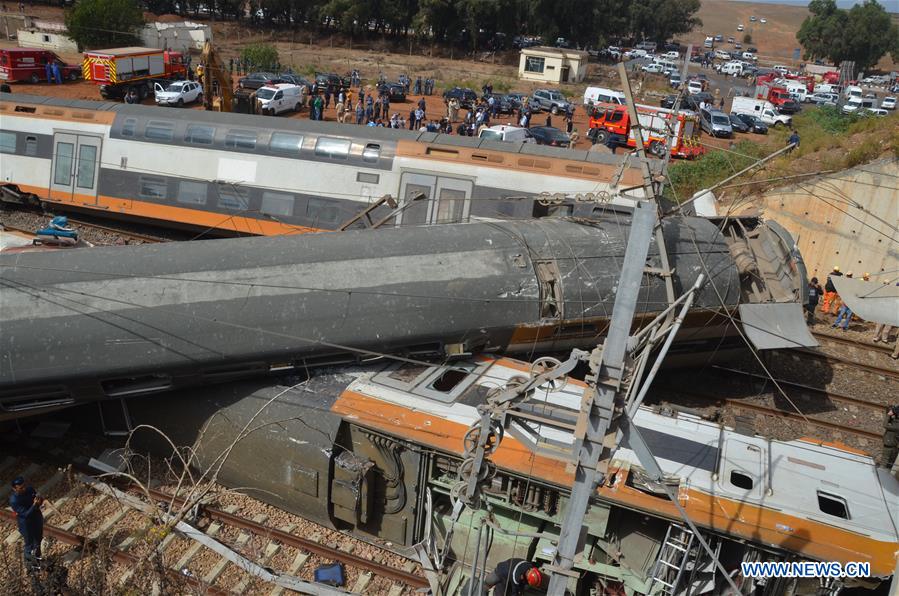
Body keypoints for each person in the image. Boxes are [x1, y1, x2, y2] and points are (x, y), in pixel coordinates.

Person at [10, 476, 44, 564]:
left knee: (38, 540)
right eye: (21, 488)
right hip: (26, 524)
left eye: (24, 486)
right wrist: (34, 505)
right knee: (30, 545)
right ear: (14, 489)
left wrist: (40, 499)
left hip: (36, 518)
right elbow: (25, 514)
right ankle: (29, 565)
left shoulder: (29, 490)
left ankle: (37, 560)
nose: (24, 489)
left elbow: (38, 500)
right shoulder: (14, 500)